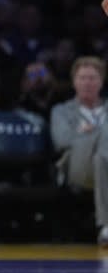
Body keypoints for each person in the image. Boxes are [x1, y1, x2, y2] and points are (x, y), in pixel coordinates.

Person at [50, 57, 108, 244]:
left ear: (102, 81)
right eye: (82, 78)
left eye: (92, 78)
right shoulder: (61, 111)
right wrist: (97, 134)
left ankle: (107, 226)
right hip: (77, 166)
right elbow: (62, 140)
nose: (87, 83)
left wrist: (87, 131)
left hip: (102, 164)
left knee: (102, 159)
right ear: (74, 81)